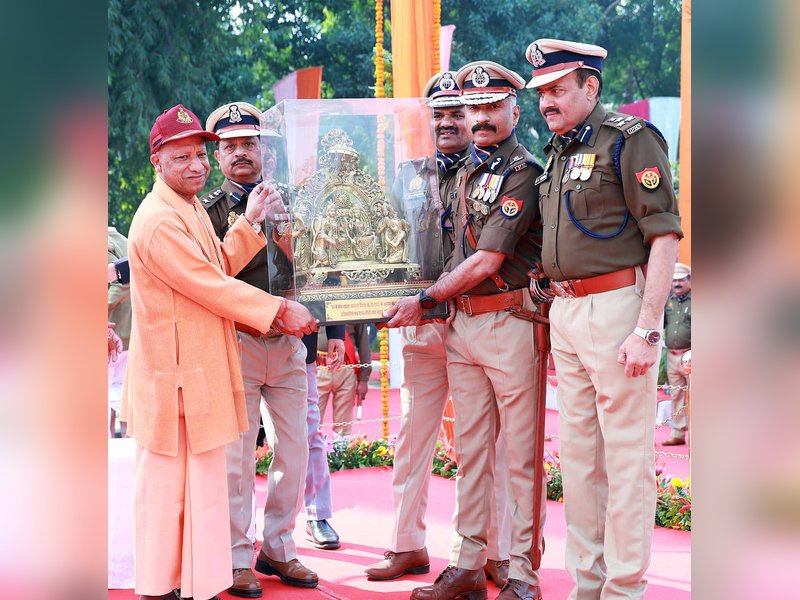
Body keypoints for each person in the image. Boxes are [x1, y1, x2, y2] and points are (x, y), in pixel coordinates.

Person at [121, 103, 317, 600]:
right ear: (157, 162)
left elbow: (216, 262)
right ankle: (159, 587)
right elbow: (209, 284)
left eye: (199, 156)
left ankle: (191, 578)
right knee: (169, 492)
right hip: (176, 376)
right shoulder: (162, 219)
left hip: (198, 369)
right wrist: (279, 310)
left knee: (201, 487)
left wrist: (250, 224)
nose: (197, 165)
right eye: (182, 156)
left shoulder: (183, 207)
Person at [528, 38, 683, 599]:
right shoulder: (556, 151)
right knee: (580, 463)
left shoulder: (629, 139)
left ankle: (624, 589)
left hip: (619, 311)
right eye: (540, 93)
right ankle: (586, 587)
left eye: (556, 90)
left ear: (589, 87)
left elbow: (664, 235)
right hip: (567, 312)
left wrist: (648, 328)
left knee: (625, 462)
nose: (545, 101)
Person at [386, 61, 547, 600]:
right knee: (473, 454)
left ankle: (522, 571)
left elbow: (487, 258)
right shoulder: (465, 172)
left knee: (519, 457)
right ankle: (467, 565)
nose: (479, 118)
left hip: (509, 320)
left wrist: (427, 299)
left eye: (489, 107)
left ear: (513, 110)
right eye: (472, 108)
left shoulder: (522, 169)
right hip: (463, 325)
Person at [365, 71, 512, 590]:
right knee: (412, 440)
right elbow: (382, 248)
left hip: (478, 321)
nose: (448, 122)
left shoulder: (495, 171)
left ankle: (489, 553)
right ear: (427, 120)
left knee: (481, 445)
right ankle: (407, 545)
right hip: (422, 328)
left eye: (457, 113)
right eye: (440, 114)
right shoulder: (407, 175)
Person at [202, 101, 320, 597]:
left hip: (288, 344)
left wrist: (287, 226)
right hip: (237, 341)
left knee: (294, 452)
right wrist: (249, 221)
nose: (241, 154)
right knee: (237, 457)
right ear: (217, 158)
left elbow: (315, 269)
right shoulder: (205, 211)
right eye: (229, 147)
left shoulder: (291, 200)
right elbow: (209, 278)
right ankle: (234, 559)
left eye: (249, 144)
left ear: (264, 150)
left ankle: (278, 548)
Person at [301, 327, 345, 549]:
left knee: (311, 431)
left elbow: (329, 289)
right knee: (244, 436)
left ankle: (317, 514)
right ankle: (243, 527)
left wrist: (336, 332)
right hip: (245, 336)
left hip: (300, 345)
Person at [316, 323, 372, 437]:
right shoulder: (313, 305)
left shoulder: (351, 306)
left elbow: (363, 342)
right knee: (311, 422)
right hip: (317, 368)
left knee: (343, 428)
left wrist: (363, 379)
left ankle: (341, 453)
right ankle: (311, 454)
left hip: (346, 370)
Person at [662, 262, 691, 446]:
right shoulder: (668, 300)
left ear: (689, 280)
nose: (677, 283)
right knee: (676, 396)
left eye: (681, 280)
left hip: (693, 355)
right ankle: (678, 433)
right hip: (672, 355)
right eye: (674, 280)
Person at [108, 227, 132, 437]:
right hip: (129, 335)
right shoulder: (125, 241)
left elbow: (122, 283)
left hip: (111, 338)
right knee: (126, 405)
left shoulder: (106, 244)